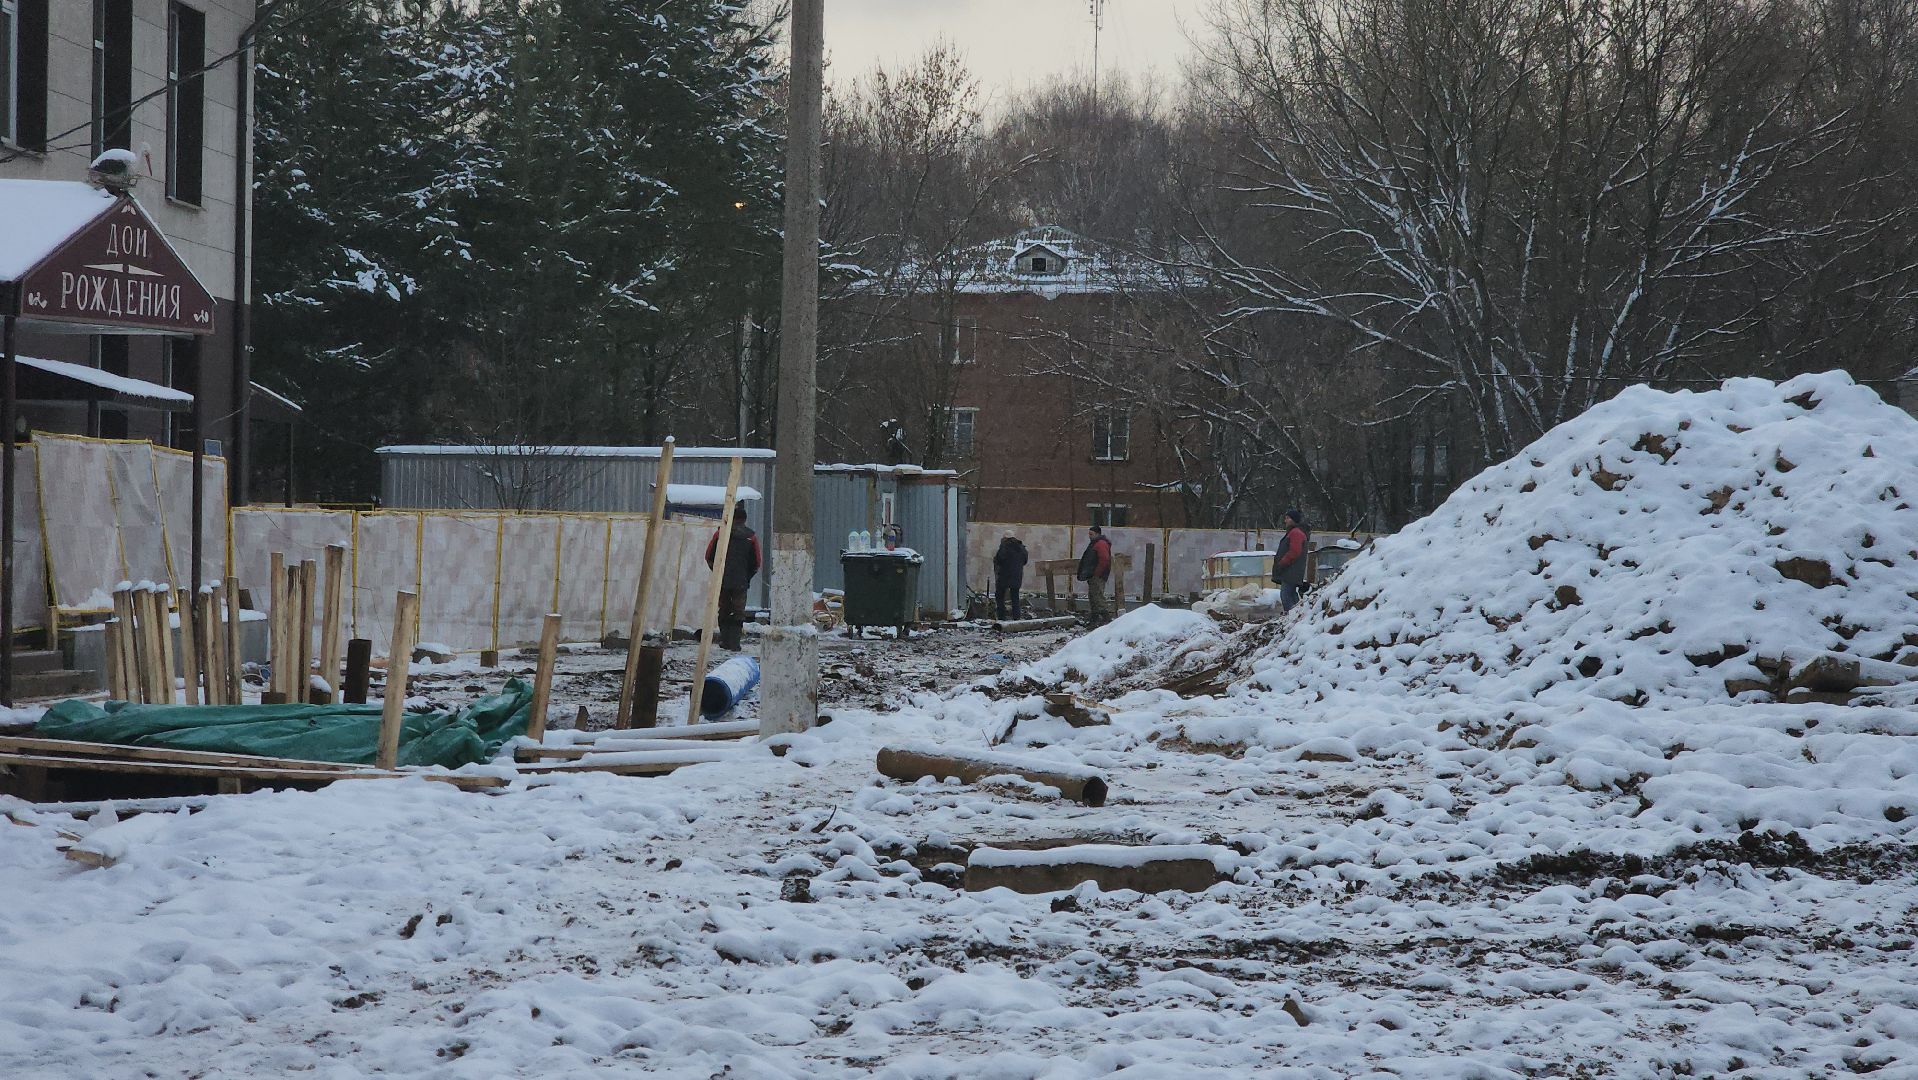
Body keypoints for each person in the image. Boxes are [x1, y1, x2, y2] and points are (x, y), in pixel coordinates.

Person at [705, 516, 761, 650]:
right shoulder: (751, 536)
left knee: (724, 609)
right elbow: (757, 562)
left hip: (722, 580)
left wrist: (717, 572)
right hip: (741, 581)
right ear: (744, 519)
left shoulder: (720, 534)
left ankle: (725, 641)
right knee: (738, 611)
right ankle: (735, 643)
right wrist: (747, 576)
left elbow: (709, 556)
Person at [1273, 508, 1310, 613]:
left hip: (1291, 571)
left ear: (1294, 519)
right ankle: (1299, 615)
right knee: (1292, 595)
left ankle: (1291, 617)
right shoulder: (1295, 532)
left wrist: (1282, 563)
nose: (1285, 521)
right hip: (1292, 571)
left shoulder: (1295, 533)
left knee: (1286, 595)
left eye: (1288, 518)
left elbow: (1295, 551)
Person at [1076, 525, 1114, 625]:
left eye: (1091, 534)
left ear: (1097, 534)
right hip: (1095, 575)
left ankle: (1105, 619)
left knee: (1097, 597)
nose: (1089, 536)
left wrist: (1096, 573)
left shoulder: (1100, 544)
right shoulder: (1098, 543)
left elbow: (1104, 559)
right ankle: (1095, 619)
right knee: (1093, 596)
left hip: (1097, 576)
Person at [992, 534, 1028, 621]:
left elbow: (999, 559)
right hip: (1017, 576)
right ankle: (1016, 618)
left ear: (1005, 538)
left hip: (1004, 575)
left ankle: (1001, 617)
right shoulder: (1021, 548)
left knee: (1000, 596)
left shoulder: (1004, 547)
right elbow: (1025, 561)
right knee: (1015, 597)